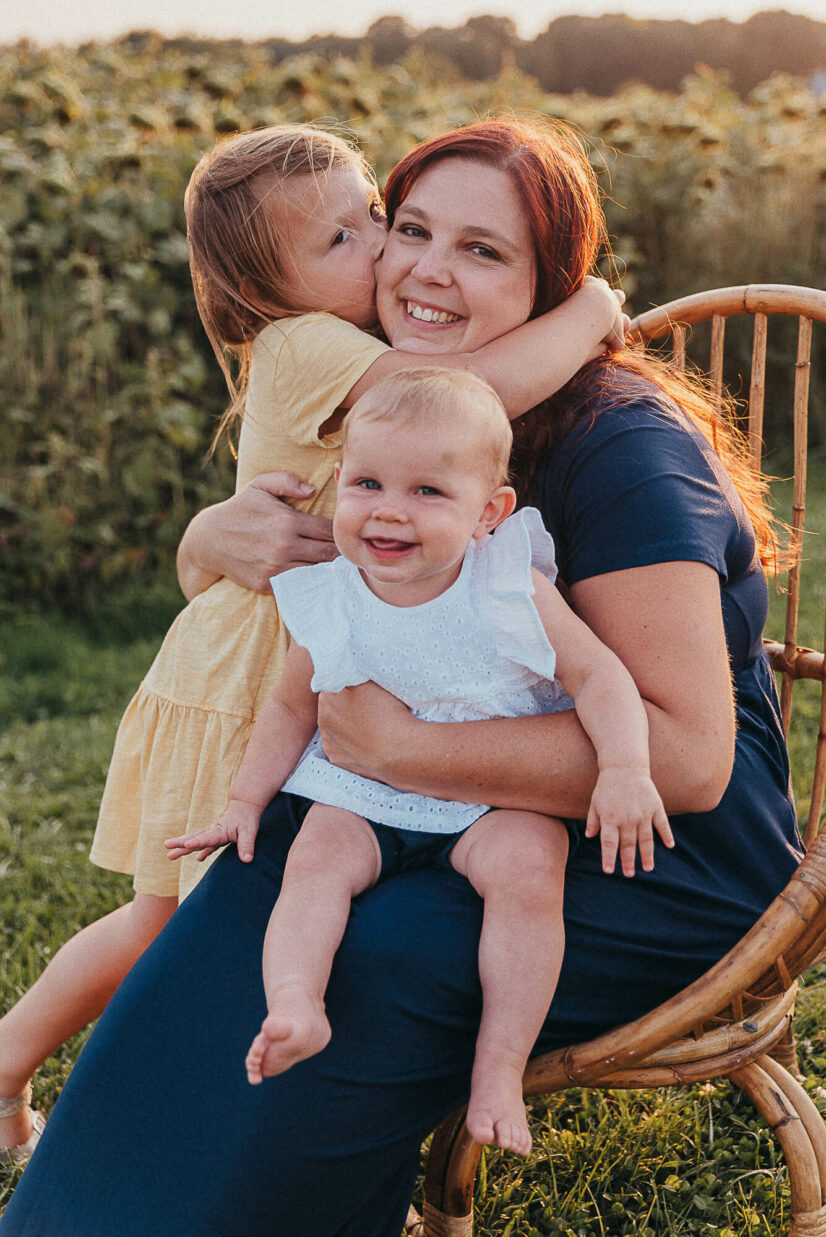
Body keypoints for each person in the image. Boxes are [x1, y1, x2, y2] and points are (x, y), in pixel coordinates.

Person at [0, 118, 801, 1237]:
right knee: (257, 885)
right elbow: (267, 560)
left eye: (482, 250)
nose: (424, 264)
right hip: (450, 803)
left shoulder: (623, 448)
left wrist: (400, 751)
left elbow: (689, 762)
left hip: (663, 851)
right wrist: (207, 538)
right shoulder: (406, 433)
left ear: (549, 284)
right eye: (410, 226)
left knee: (376, 956)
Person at [166, 367, 672, 1156]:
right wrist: (242, 800)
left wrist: (624, 769)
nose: (390, 510)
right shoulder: (331, 594)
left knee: (531, 863)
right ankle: (297, 1002)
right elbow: (292, 707)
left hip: (486, 796)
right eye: (368, 482)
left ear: (489, 512)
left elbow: (599, 675)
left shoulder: (508, 584)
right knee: (315, 858)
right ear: (339, 484)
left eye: (429, 492)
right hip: (363, 791)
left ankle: (498, 1066)